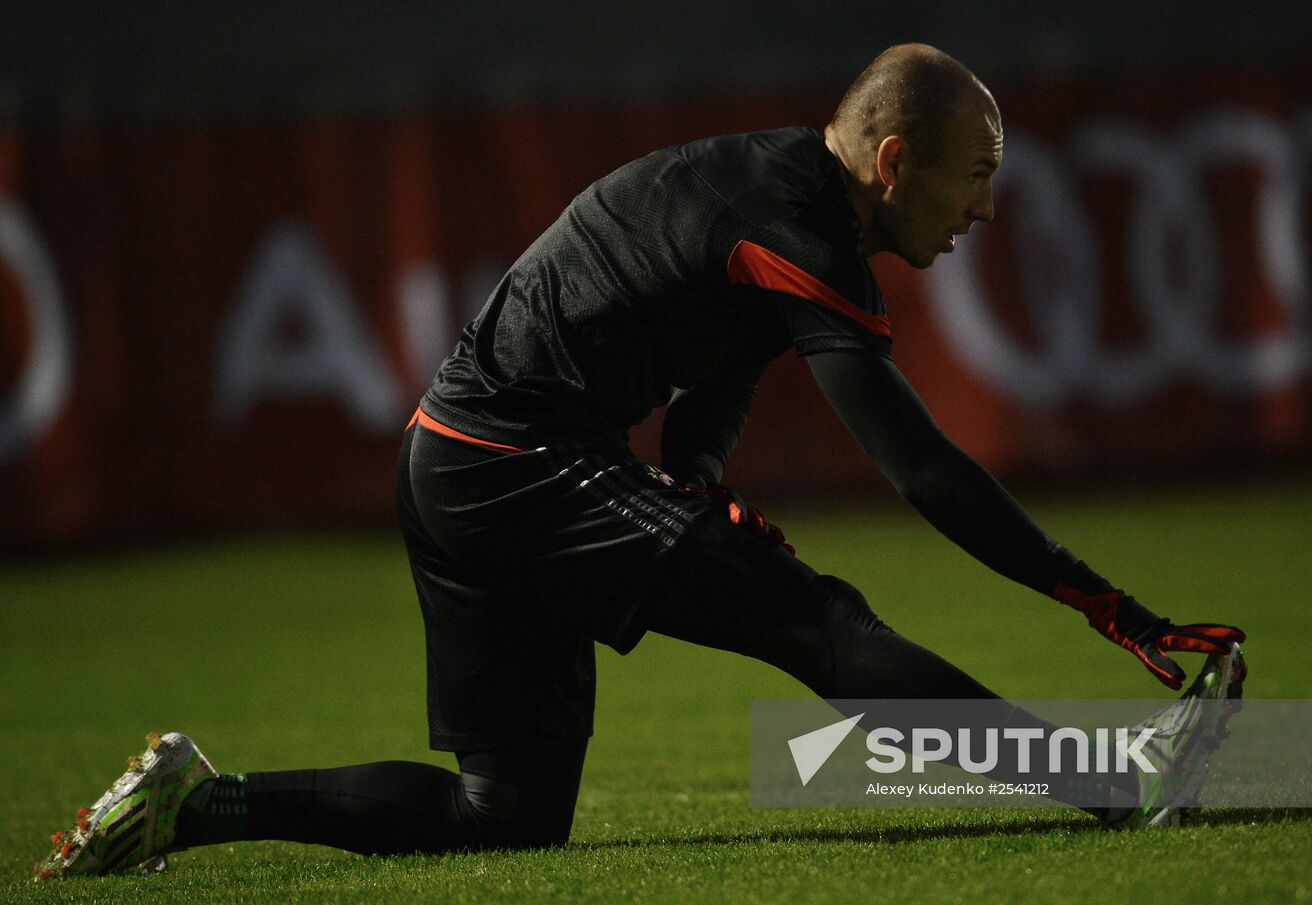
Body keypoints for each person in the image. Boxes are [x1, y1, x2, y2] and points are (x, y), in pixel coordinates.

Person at [36, 43, 1246, 879]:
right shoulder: (799, 230)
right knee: (816, 622)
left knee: (499, 818)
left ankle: (199, 803)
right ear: (892, 164)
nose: (983, 209)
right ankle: (1097, 785)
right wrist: (1112, 608)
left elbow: (711, 378)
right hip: (509, 455)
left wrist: (703, 466)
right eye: (974, 175)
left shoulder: (777, 192)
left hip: (455, 457)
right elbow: (922, 469)